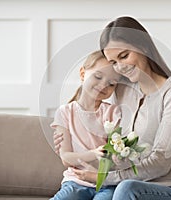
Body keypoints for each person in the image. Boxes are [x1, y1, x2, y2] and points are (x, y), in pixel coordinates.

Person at [54, 16, 171, 200]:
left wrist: (104, 178)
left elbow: (161, 163)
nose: (121, 67)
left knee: (125, 189)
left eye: (124, 56)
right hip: (132, 188)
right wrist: (68, 128)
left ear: (143, 47)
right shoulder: (123, 88)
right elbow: (94, 89)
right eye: (114, 62)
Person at [50, 50, 122, 200]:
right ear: (83, 74)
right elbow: (66, 158)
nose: (103, 85)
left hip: (106, 184)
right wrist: (93, 154)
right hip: (76, 182)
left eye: (111, 84)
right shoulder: (64, 113)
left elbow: (116, 154)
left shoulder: (113, 113)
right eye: (98, 76)